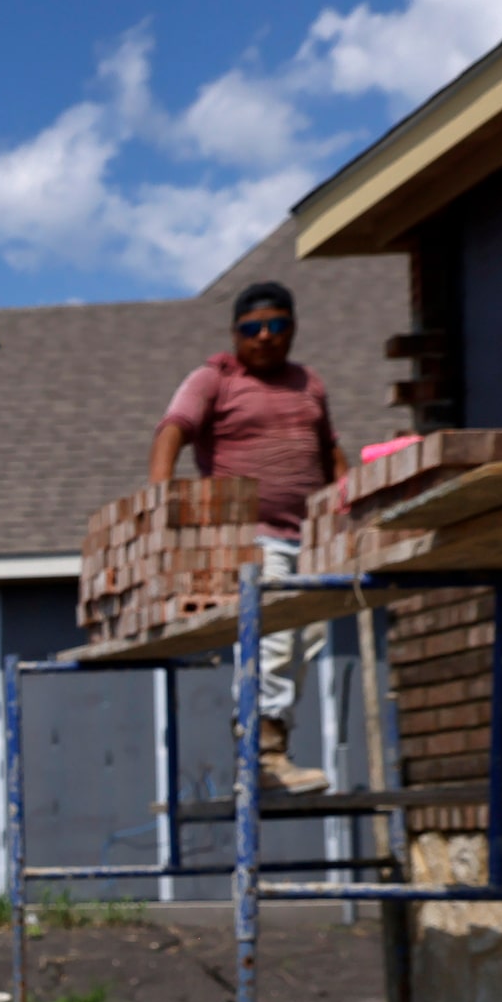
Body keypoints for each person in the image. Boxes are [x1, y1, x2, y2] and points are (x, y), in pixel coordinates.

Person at [150, 279, 346, 793]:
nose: (265, 336)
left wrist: (349, 500)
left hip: (307, 535)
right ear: (235, 333)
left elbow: (330, 451)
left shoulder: (309, 383)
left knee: (310, 639)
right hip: (247, 536)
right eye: (252, 328)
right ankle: (263, 754)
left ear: (293, 328)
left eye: (277, 326)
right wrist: (159, 502)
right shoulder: (214, 379)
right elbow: (172, 430)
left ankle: (269, 745)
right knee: (274, 636)